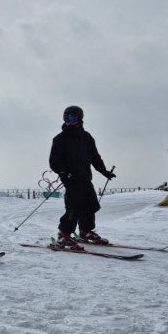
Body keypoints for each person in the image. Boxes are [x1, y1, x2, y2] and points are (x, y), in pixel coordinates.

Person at [49, 105, 116, 248]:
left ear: (80, 119)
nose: (69, 121)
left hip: (85, 177)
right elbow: (54, 161)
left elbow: (95, 158)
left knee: (91, 205)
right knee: (74, 207)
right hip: (70, 178)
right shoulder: (60, 139)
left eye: (72, 117)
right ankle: (64, 235)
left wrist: (104, 172)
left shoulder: (87, 137)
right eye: (66, 118)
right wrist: (64, 172)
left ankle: (85, 231)